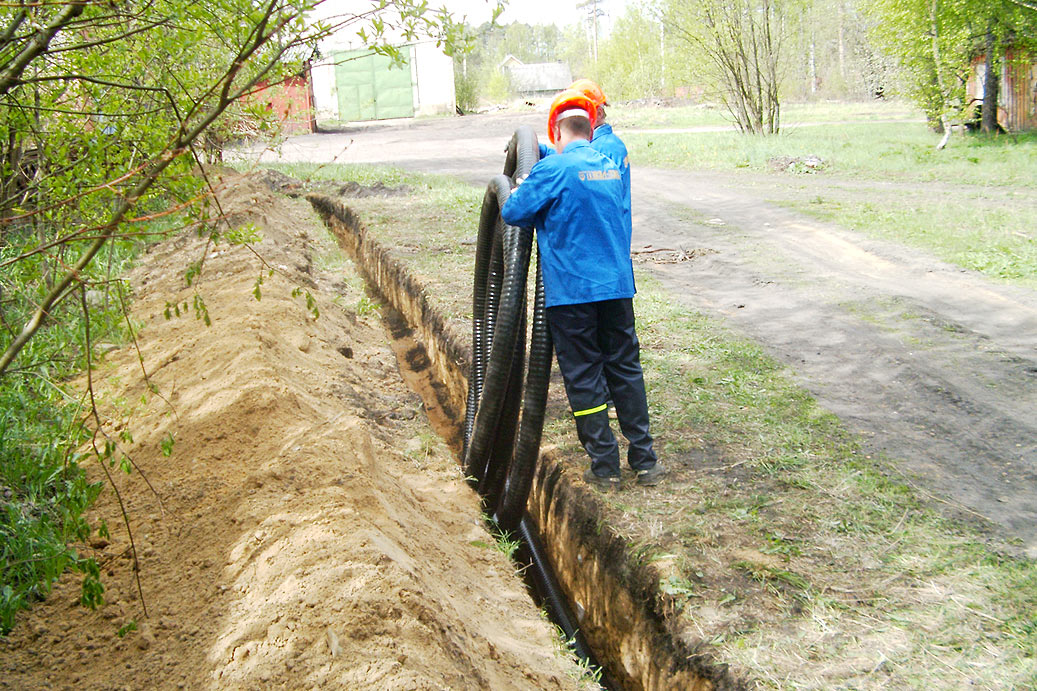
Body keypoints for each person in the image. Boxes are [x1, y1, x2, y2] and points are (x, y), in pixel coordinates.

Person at [500, 89, 664, 490]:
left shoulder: (552, 171)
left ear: (556, 131)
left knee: (585, 375)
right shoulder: (608, 165)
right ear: (591, 130)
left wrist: (523, 179)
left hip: (573, 294)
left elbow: (512, 211)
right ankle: (645, 460)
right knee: (625, 369)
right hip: (617, 289)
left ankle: (605, 466)